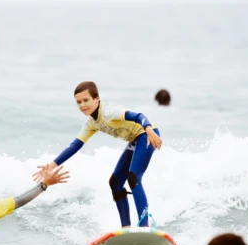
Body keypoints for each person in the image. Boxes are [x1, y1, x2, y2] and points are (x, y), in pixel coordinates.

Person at [33, 81, 162, 228]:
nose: (82, 105)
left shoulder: (108, 111)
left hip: (147, 135)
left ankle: (144, 226)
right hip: (134, 141)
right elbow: (75, 145)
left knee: (133, 178)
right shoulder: (91, 123)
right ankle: (125, 228)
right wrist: (51, 166)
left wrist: (149, 130)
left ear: (96, 99)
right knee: (115, 182)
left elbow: (138, 116)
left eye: (86, 100)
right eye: (79, 102)